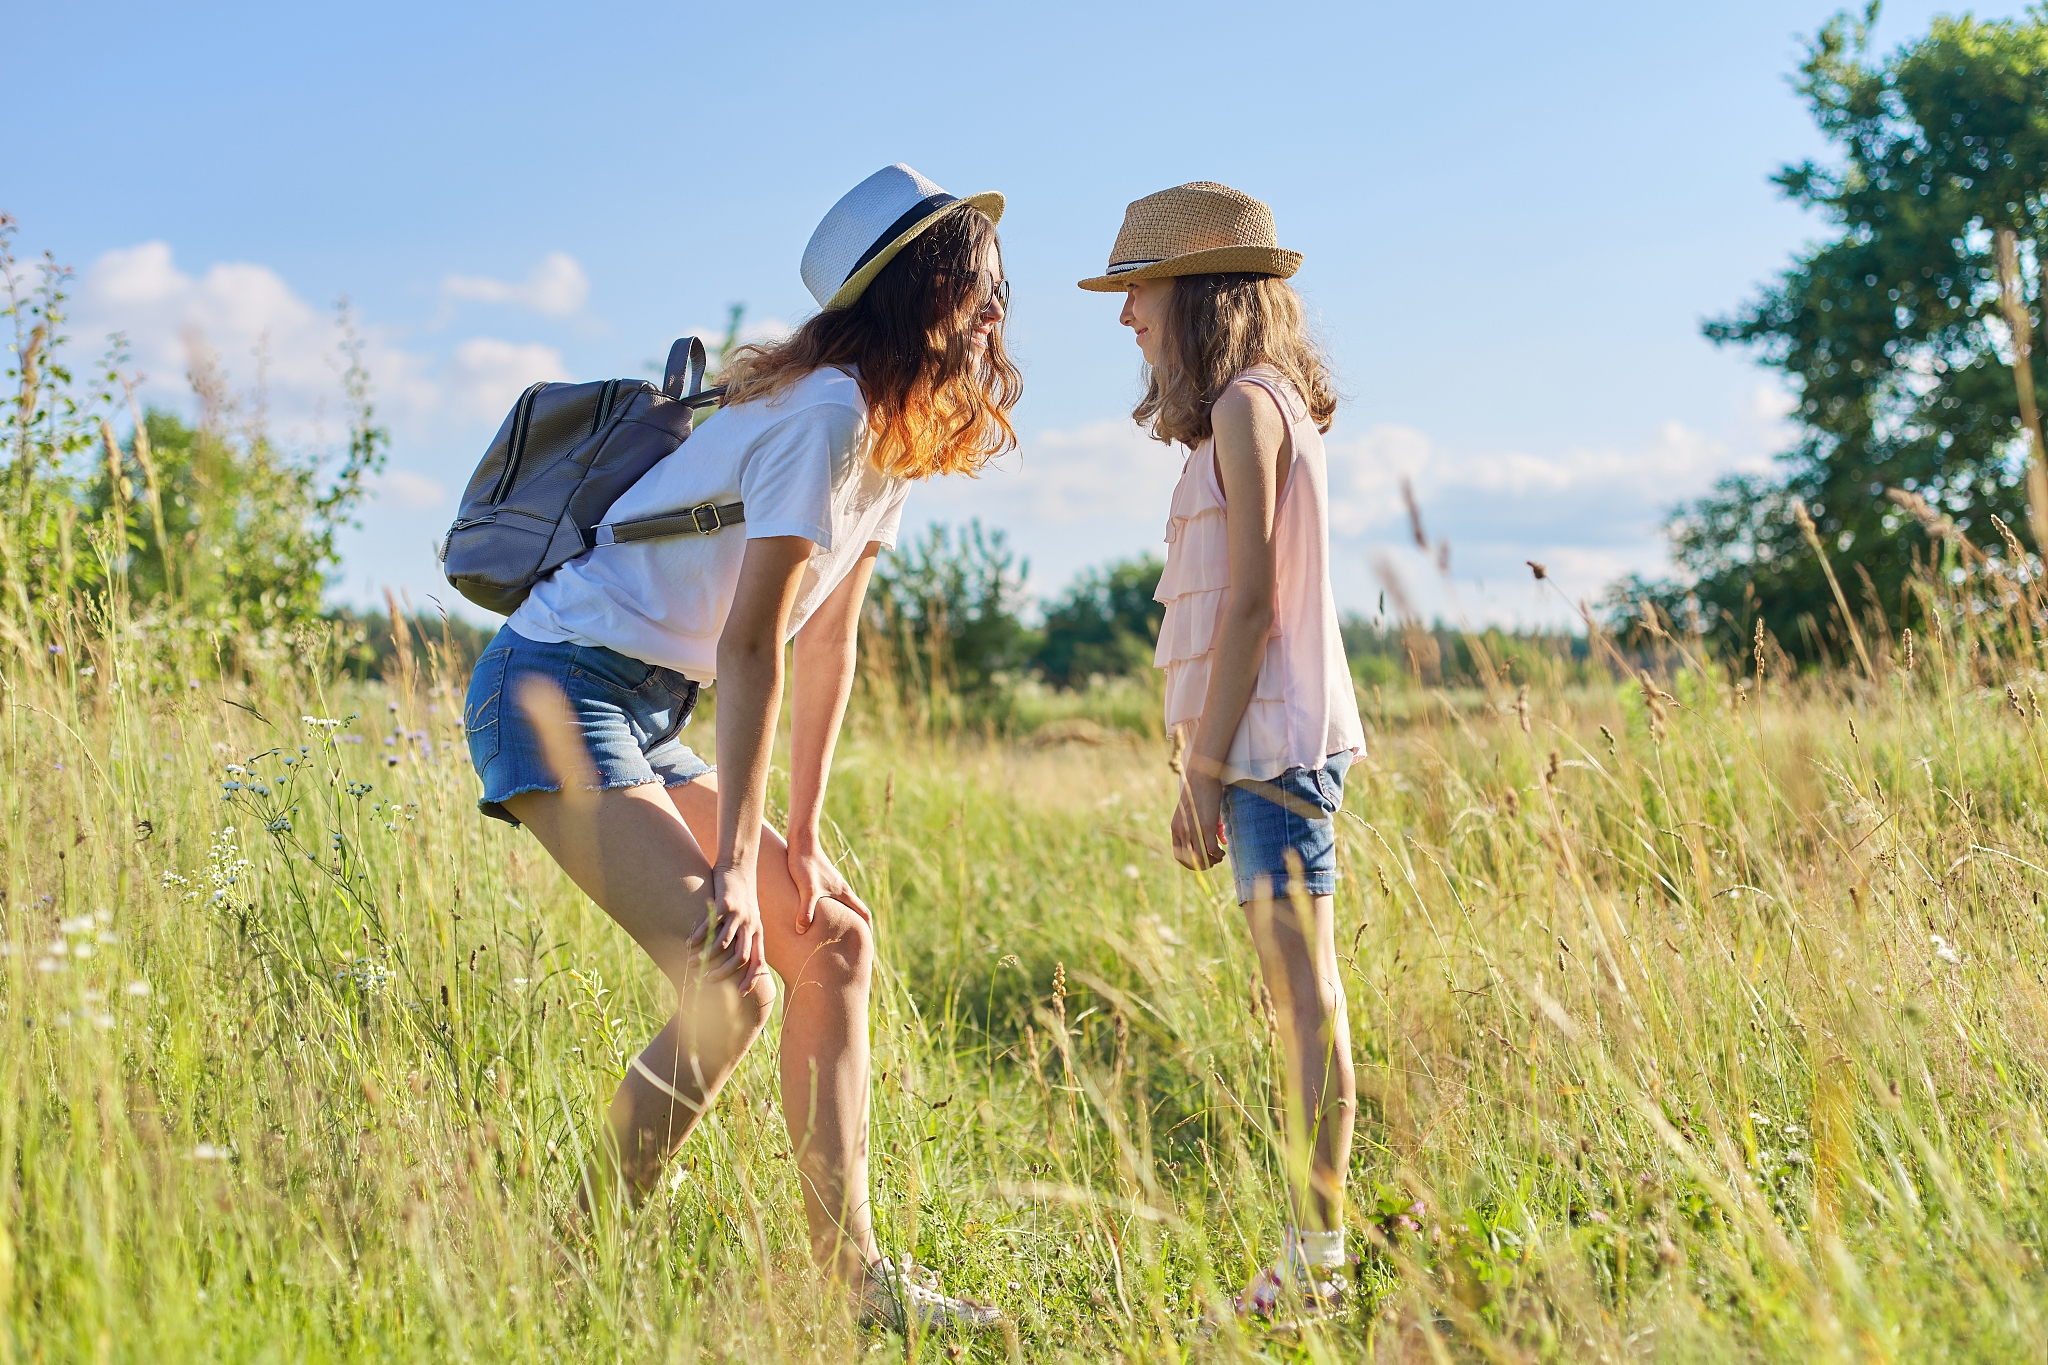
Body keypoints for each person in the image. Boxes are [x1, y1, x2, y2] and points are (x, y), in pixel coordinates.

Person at [463, 163, 1018, 1332]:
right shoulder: (818, 414)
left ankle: (853, 1283)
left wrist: (800, 843)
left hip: (651, 706)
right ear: (928, 289)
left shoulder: (888, 440)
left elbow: (828, 652)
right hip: (555, 684)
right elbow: (755, 645)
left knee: (836, 938)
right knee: (731, 976)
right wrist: (728, 871)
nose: (994, 307)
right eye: (978, 281)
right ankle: (565, 1268)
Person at [1079, 182, 1366, 1319]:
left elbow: (1249, 606)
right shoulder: (1244, 412)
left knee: (1304, 1004)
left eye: (1136, 290)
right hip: (1253, 749)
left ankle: (1315, 1270)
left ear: (1195, 294)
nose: (1124, 317)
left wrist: (1202, 774)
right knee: (1292, 1003)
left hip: (1268, 752)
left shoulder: (1251, 408)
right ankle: (1313, 1257)